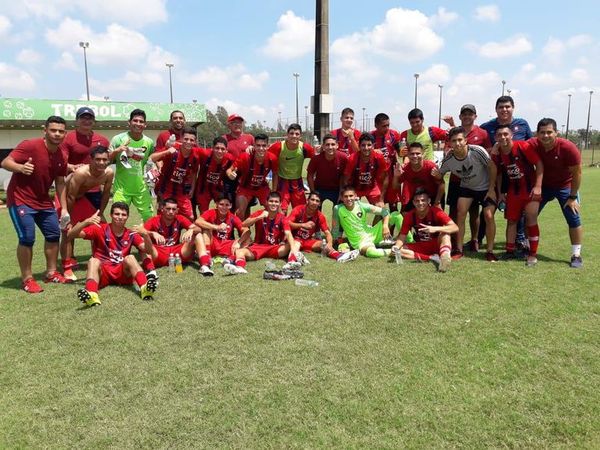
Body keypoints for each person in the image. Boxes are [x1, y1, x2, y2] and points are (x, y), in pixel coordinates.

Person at [2, 116, 71, 292]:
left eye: (61, 131)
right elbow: (5, 162)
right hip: (20, 200)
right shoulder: (30, 145)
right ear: (45, 130)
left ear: (65, 134)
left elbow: (60, 182)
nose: (57, 134)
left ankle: (51, 273)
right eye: (53, 130)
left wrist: (63, 208)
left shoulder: (62, 154)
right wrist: (20, 168)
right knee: (27, 237)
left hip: (43, 201)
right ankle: (27, 279)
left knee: (54, 234)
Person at [67, 202, 158, 306]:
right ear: (110, 215)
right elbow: (70, 235)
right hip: (103, 273)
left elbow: (149, 251)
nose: (120, 217)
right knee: (93, 261)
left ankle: (145, 288)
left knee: (130, 257)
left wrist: (146, 235)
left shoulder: (131, 233)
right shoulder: (99, 228)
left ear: (127, 217)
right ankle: (92, 294)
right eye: (117, 214)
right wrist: (86, 222)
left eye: (123, 215)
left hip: (122, 273)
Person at [58, 107, 110, 278]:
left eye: (90, 118)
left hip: (93, 190)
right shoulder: (68, 138)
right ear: (77, 120)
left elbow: (106, 160)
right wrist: (73, 168)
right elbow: (60, 163)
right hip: (73, 188)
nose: (86, 121)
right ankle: (67, 263)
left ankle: (99, 257)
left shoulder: (101, 140)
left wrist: (101, 211)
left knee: (99, 225)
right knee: (68, 228)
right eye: (83, 118)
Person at [528, 118, 583, 268]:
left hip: (565, 186)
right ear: (537, 134)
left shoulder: (568, 148)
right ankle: (526, 246)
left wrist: (572, 197)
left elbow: (577, 174)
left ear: (556, 133)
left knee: (573, 217)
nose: (545, 136)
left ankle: (576, 254)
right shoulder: (533, 144)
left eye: (549, 132)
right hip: (543, 186)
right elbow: (516, 147)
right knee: (528, 214)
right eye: (542, 132)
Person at [481, 95, 533, 252]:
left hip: (518, 177)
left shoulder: (522, 124)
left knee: (520, 211)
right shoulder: (486, 127)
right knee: (488, 207)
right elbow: (477, 147)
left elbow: (532, 146)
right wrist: (492, 150)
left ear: (513, 108)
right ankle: (478, 238)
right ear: (495, 109)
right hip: (495, 175)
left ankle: (520, 239)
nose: (504, 110)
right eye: (501, 107)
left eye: (507, 107)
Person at [437, 126, 498, 260]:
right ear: (450, 143)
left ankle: (489, 251)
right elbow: (439, 174)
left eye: (460, 140)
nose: (457, 143)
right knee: (460, 213)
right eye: (454, 141)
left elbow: (492, 167)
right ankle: (458, 249)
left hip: (485, 187)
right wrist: (435, 174)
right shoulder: (449, 159)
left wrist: (492, 189)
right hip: (467, 188)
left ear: (466, 140)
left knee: (488, 215)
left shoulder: (477, 151)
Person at [442, 104, 491, 251]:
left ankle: (474, 240)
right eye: (464, 114)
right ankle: (454, 241)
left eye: (470, 114)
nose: (467, 116)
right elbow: (447, 150)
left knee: (474, 211)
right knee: (455, 212)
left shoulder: (482, 133)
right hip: (457, 181)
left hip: (475, 181)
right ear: (460, 116)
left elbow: (488, 155)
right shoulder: (453, 133)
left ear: (475, 116)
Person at [493, 124, 543, 266]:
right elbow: (499, 173)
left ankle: (532, 255)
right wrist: (500, 192)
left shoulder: (522, 146)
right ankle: (509, 251)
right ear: (496, 137)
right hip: (513, 192)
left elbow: (539, 164)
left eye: (505, 134)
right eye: (500, 135)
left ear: (511, 135)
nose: (503, 137)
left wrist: (538, 186)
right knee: (511, 221)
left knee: (531, 219)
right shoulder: (498, 152)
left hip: (530, 190)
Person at [224, 191, 299, 274]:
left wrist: (293, 249)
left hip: (275, 248)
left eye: (276, 202)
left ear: (280, 203)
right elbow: (244, 224)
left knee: (295, 243)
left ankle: (291, 262)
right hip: (258, 247)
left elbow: (288, 234)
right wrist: (259, 217)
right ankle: (240, 268)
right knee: (240, 251)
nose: (273, 204)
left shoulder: (282, 218)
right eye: (271, 201)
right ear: (266, 202)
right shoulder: (260, 213)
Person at [331, 185, 407, 258]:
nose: (349, 199)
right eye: (346, 196)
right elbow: (335, 228)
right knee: (371, 253)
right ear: (341, 198)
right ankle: (397, 251)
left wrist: (385, 226)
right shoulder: (337, 209)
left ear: (355, 196)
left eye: (351, 196)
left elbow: (385, 212)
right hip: (360, 242)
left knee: (396, 215)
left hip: (373, 233)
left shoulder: (362, 206)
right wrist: (336, 242)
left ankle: (411, 243)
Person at [392, 188, 457, 272]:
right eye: (417, 201)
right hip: (421, 244)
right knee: (397, 251)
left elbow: (455, 227)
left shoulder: (436, 212)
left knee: (445, 234)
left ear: (429, 201)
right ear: (413, 202)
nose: (420, 203)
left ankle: (444, 256)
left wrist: (435, 229)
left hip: (437, 243)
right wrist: (396, 247)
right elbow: (402, 236)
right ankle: (433, 258)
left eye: (423, 200)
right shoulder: (409, 216)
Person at [109, 109, 155, 221]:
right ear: (129, 122)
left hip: (141, 188)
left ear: (145, 124)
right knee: (118, 219)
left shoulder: (149, 142)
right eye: (135, 120)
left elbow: (150, 160)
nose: (138, 124)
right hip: (122, 189)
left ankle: (147, 239)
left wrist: (155, 169)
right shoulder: (118, 139)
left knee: (150, 218)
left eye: (141, 121)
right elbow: (107, 160)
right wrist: (117, 150)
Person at [288, 191, 360, 263]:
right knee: (296, 244)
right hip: (293, 239)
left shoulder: (320, 216)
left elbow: (327, 232)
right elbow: (287, 223)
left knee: (323, 244)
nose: (314, 203)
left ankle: (340, 256)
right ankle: (291, 262)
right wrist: (302, 225)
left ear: (319, 204)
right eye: (312, 200)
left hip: (307, 240)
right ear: (307, 200)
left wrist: (329, 244)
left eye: (317, 201)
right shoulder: (298, 209)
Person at [150, 126, 200, 220]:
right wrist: (167, 151)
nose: (188, 142)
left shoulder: (195, 156)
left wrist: (192, 189)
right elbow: (152, 158)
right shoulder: (173, 148)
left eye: (191, 140)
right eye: (186, 139)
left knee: (191, 217)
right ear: (181, 138)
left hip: (181, 192)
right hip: (165, 189)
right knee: (162, 217)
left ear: (195, 141)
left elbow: (194, 173)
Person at [225, 133, 278, 219]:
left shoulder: (272, 158)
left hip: (262, 188)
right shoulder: (245, 156)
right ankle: (243, 231)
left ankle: (270, 230)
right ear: (254, 145)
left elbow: (275, 173)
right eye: (258, 145)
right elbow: (229, 170)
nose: (261, 148)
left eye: (264, 146)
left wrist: (274, 191)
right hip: (245, 188)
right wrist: (230, 174)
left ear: (268, 146)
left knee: (275, 208)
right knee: (240, 212)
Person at [143, 197, 204, 270]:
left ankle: (205, 265)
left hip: (177, 253)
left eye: (174, 209)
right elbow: (140, 232)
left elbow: (199, 229)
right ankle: (150, 270)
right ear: (162, 209)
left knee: (198, 234)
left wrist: (191, 230)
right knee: (142, 241)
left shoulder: (180, 218)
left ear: (177, 210)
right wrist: (152, 233)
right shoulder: (154, 220)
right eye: (168, 209)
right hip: (159, 252)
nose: (171, 212)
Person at [194, 195, 247, 276]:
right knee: (206, 230)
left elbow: (246, 230)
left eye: (227, 205)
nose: (224, 207)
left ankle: (230, 260)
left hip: (225, 244)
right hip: (212, 243)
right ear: (216, 204)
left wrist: (239, 242)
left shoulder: (232, 217)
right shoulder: (211, 212)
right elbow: (198, 221)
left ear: (231, 206)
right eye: (221, 204)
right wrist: (216, 227)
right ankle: (207, 259)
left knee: (245, 239)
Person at [268, 123, 315, 212]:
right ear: (287, 135)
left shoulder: (305, 148)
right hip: (282, 182)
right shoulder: (278, 146)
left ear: (300, 136)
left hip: (297, 183)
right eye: (291, 133)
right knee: (281, 211)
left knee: (301, 211)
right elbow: (265, 157)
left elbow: (317, 159)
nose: (294, 136)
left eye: (297, 134)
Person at [392, 142, 444, 212]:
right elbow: (395, 187)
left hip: (433, 197)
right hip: (417, 197)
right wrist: (396, 177)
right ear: (408, 155)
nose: (415, 156)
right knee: (405, 214)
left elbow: (442, 184)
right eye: (412, 154)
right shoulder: (405, 169)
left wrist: (437, 202)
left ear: (422, 154)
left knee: (436, 218)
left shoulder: (430, 166)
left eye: (418, 153)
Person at [342, 133, 388, 207]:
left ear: (373, 145)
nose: (366, 148)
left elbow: (386, 177)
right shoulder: (352, 158)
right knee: (352, 209)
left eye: (369, 145)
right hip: (355, 189)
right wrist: (350, 194)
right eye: (363, 145)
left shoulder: (379, 157)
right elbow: (346, 179)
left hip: (372, 188)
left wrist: (381, 199)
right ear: (359, 146)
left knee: (381, 208)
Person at [195, 136, 235, 214]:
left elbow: (239, 163)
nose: (220, 151)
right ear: (212, 148)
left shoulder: (230, 158)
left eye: (223, 149)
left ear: (226, 150)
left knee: (223, 210)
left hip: (218, 188)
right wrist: (171, 145)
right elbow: (189, 148)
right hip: (203, 188)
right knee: (204, 212)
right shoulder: (205, 154)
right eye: (217, 148)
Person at [306, 133, 348, 209]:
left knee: (339, 210)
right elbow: (310, 176)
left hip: (336, 189)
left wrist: (342, 192)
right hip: (319, 188)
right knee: (313, 208)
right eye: (327, 145)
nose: (330, 147)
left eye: (332, 144)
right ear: (323, 146)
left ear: (337, 145)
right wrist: (313, 192)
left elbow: (344, 176)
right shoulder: (316, 159)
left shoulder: (343, 157)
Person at [370, 113, 401, 211]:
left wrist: (403, 152)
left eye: (388, 125)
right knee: (378, 208)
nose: (387, 128)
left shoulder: (394, 134)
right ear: (376, 125)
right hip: (377, 177)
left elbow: (400, 152)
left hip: (391, 176)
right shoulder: (371, 137)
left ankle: (390, 226)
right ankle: (379, 226)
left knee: (393, 205)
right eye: (384, 126)